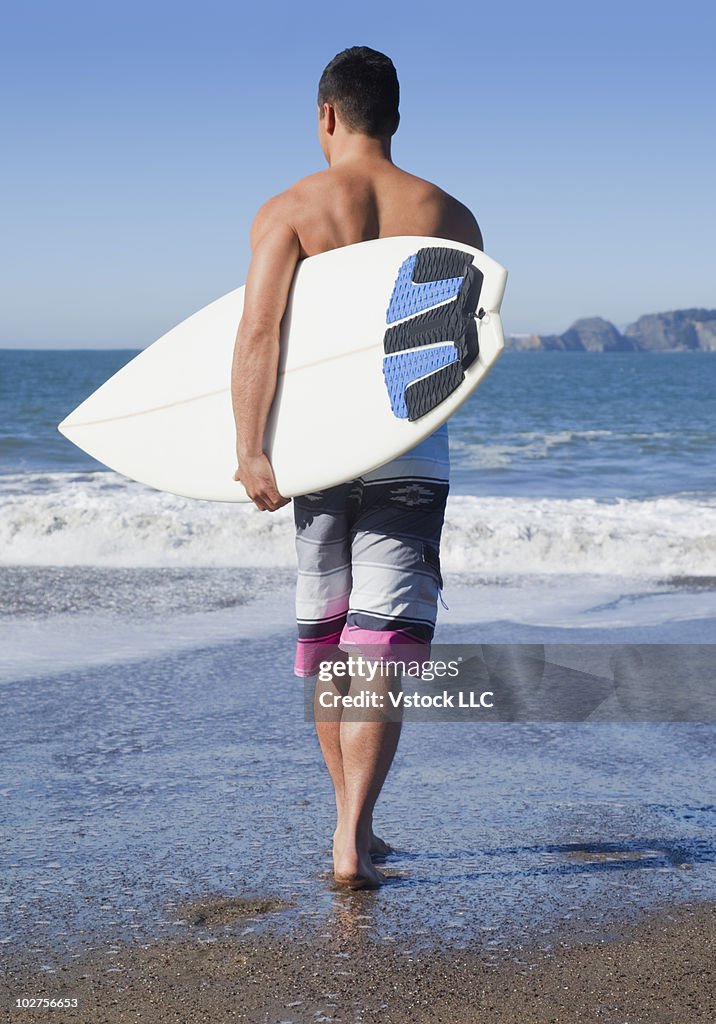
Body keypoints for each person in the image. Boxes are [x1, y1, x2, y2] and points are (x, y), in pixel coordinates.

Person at [231, 46, 483, 888]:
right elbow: (458, 357)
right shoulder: (451, 215)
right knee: (379, 650)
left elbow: (260, 333)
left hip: (314, 451)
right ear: (394, 119)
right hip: (409, 450)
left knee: (334, 647)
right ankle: (356, 837)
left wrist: (250, 447)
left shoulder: (290, 209)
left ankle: (348, 835)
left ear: (326, 115)